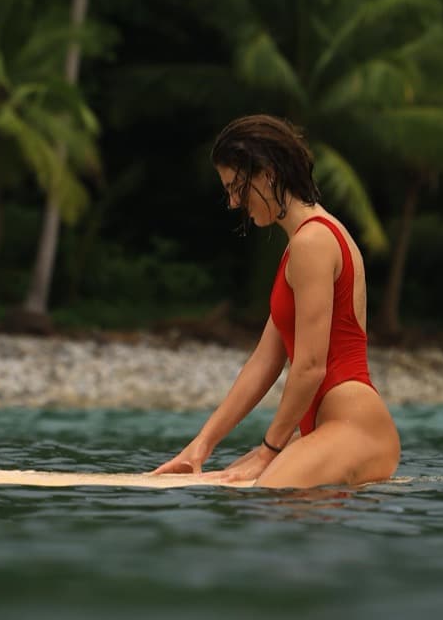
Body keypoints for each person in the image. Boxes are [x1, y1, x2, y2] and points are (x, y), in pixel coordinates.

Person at [151, 115, 400, 488]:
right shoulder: (299, 247)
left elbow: (311, 366)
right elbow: (265, 361)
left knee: (268, 491)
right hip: (330, 427)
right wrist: (199, 448)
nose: (234, 202)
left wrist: (270, 450)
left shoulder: (313, 242)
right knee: (234, 484)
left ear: (267, 173)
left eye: (238, 187)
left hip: (356, 428)